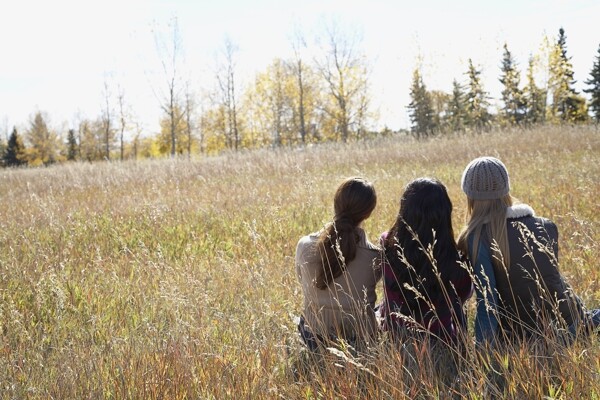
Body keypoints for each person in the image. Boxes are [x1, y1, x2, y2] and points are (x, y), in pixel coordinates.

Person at [457, 156, 599, 345]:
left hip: (519, 338)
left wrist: (482, 351)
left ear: (470, 195)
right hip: (569, 325)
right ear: (505, 189)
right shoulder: (545, 226)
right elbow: (553, 282)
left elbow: (488, 303)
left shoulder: (477, 238)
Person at [379, 178, 473, 345]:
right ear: (445, 213)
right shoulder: (455, 258)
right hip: (441, 339)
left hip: (395, 336)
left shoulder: (386, 243)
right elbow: (463, 297)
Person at [295, 177, 381, 351]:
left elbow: (301, 280)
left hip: (314, 337)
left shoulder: (304, 246)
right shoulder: (376, 257)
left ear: (336, 204)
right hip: (361, 340)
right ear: (368, 213)